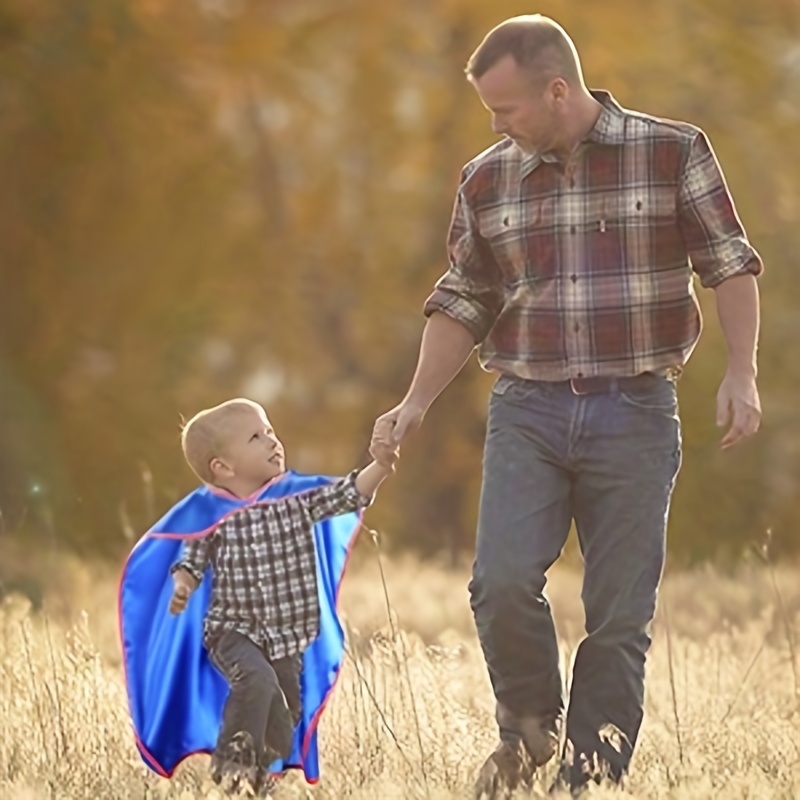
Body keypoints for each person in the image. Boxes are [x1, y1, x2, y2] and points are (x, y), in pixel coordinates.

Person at [370, 14, 762, 798]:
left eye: (506, 109)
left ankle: (590, 775)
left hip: (638, 411)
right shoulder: (486, 178)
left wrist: (741, 372)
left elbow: (729, 265)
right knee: (501, 581)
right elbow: (464, 299)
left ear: (557, 90)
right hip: (528, 408)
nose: (496, 126)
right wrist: (414, 402)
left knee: (619, 615)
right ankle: (527, 728)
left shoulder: (672, 150)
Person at [119, 398, 396, 798]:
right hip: (234, 632)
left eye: (269, 431)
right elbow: (190, 555)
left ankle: (256, 782)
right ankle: (232, 765)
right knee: (256, 680)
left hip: (288, 637)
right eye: (256, 437)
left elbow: (348, 494)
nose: (272, 441)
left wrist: (382, 467)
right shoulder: (212, 516)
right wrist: (182, 585)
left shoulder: (295, 500)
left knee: (284, 723)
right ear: (224, 468)